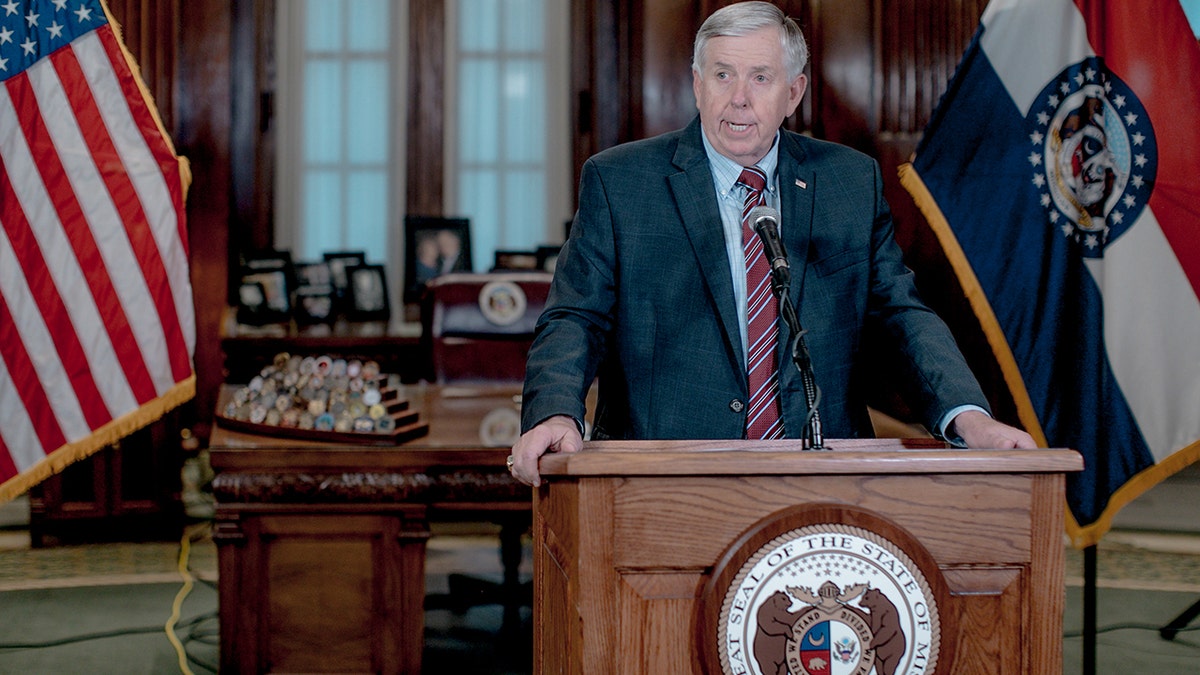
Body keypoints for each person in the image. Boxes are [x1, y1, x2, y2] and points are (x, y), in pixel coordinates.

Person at [508, 1, 1035, 486]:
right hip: (660, 475)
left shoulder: (849, 182)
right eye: (722, 75)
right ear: (697, 84)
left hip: (822, 474)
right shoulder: (622, 182)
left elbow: (899, 315)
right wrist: (555, 411)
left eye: (761, 77)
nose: (739, 97)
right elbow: (576, 317)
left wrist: (968, 417)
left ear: (794, 92)